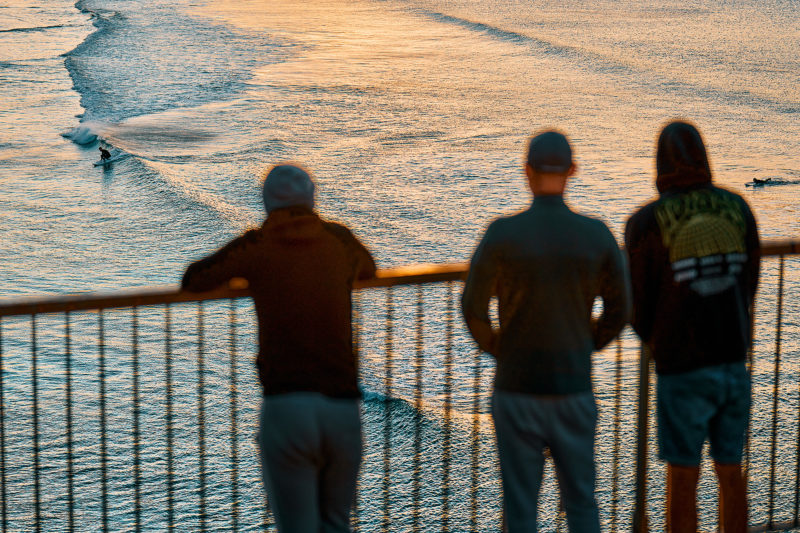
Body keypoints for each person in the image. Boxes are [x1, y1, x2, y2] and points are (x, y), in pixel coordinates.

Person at [182, 163, 376, 532]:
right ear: (312, 198)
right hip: (343, 406)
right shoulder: (339, 239)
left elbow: (194, 279)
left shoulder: (258, 245)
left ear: (267, 202)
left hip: (287, 404)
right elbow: (368, 269)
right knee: (336, 523)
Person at [462, 130, 630, 532]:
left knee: (520, 508)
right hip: (572, 384)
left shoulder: (502, 233)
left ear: (527, 172)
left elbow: (473, 306)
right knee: (581, 503)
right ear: (572, 171)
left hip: (516, 386)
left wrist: (500, 347)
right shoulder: (596, 234)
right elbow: (621, 307)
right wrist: (588, 341)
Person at [625, 121, 760, 533]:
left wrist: (657, 340)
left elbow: (637, 304)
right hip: (732, 359)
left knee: (682, 478)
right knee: (731, 472)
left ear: (660, 162)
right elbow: (749, 282)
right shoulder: (738, 208)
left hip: (681, 366)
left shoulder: (646, 221)